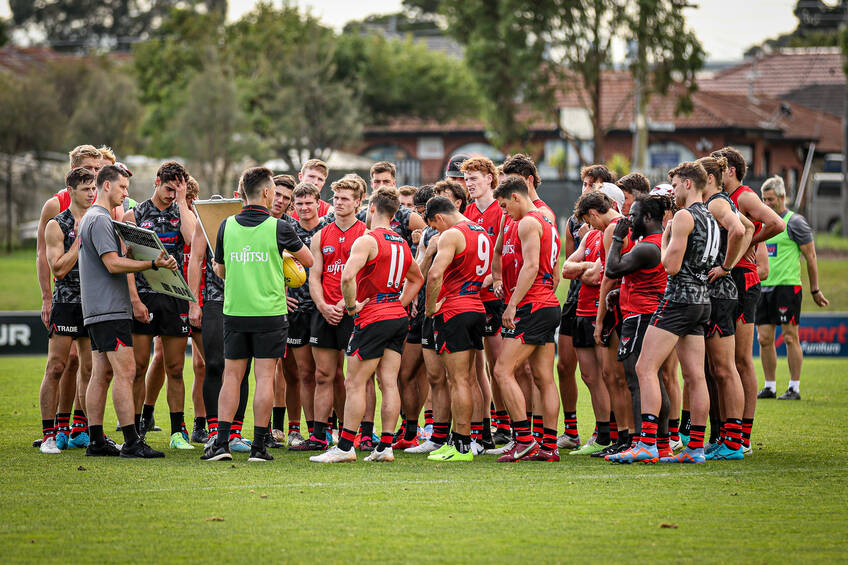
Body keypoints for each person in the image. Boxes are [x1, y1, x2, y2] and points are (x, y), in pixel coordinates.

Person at [202, 167, 313, 462]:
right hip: (270, 313)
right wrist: (282, 259)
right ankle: (259, 448)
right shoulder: (280, 228)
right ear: (266, 193)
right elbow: (309, 261)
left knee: (232, 377)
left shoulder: (226, 226)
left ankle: (221, 444)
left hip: (236, 311)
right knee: (265, 378)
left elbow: (220, 269)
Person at [310, 187, 424, 463]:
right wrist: (400, 303)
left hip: (373, 316)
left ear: (371, 209)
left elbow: (347, 277)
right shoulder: (400, 240)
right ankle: (384, 447)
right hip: (396, 316)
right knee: (389, 382)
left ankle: (346, 447)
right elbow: (417, 278)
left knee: (354, 382)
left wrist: (351, 306)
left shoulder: (367, 239)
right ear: (395, 213)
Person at [79, 163, 176, 458]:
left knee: (102, 373)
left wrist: (129, 253)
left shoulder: (91, 218)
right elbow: (112, 264)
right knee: (126, 371)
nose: (126, 193)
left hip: (97, 309)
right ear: (106, 185)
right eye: (122, 187)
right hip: (110, 309)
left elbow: (113, 259)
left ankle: (96, 440)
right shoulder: (100, 219)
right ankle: (132, 442)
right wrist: (151, 263)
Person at [629, 161, 720, 464]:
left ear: (689, 184)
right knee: (695, 376)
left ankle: (647, 443)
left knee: (644, 367)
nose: (675, 191)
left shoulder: (683, 216)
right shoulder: (711, 214)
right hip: (702, 300)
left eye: (677, 185)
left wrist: (667, 236)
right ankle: (695, 448)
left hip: (679, 298)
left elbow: (670, 266)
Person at [711, 146, 785, 453]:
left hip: (742, 280)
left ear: (730, 171)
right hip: (727, 279)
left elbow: (776, 224)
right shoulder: (719, 198)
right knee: (722, 363)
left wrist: (744, 244)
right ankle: (727, 434)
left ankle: (742, 436)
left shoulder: (744, 195)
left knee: (740, 360)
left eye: (717, 168)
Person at [123, 161, 197, 450]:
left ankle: (178, 432)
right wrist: (134, 300)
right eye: (168, 188)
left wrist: (182, 201)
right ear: (156, 182)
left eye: (177, 190)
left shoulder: (183, 212)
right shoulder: (135, 214)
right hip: (144, 295)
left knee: (175, 367)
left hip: (174, 295)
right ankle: (135, 429)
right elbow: (125, 261)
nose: (171, 194)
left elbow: (191, 240)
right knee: (139, 366)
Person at [491, 177, 562, 462]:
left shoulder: (529, 222)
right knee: (544, 378)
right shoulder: (547, 221)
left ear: (517, 197)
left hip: (532, 305)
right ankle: (549, 446)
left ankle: (523, 440)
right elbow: (554, 270)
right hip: (546, 302)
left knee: (501, 371)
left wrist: (512, 305)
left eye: (506, 205)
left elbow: (531, 266)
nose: (505, 211)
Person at [294, 178, 367, 451]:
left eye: (345, 198)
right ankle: (318, 436)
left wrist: (348, 305)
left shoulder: (366, 233)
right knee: (323, 375)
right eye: (336, 198)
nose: (338, 203)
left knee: (357, 378)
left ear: (358, 202)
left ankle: (360, 434)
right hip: (323, 313)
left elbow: (370, 278)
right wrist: (324, 306)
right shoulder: (320, 235)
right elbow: (314, 277)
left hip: (355, 312)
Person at [603, 195, 671, 462]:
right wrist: (620, 293)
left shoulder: (647, 247)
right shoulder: (655, 243)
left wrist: (618, 238)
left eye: (633, 216)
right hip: (647, 314)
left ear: (647, 218)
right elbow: (637, 279)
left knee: (637, 381)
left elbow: (612, 268)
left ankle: (644, 441)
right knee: (654, 380)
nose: (628, 221)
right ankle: (661, 443)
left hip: (641, 318)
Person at [422, 196, 488, 461]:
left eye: (435, 227)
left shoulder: (451, 234)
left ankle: (460, 444)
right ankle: (471, 439)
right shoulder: (479, 229)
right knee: (470, 378)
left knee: (457, 379)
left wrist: (429, 308)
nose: (437, 233)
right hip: (476, 307)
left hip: (454, 309)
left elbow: (435, 274)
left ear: (439, 218)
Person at [698, 156, 753, 460]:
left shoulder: (717, 203)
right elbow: (746, 226)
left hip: (719, 292)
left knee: (724, 368)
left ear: (709, 178)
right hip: (720, 292)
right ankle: (728, 437)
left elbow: (739, 230)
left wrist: (727, 265)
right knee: (719, 369)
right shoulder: (721, 201)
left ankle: (731, 442)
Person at [38, 168, 97, 454]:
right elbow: (58, 269)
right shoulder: (56, 224)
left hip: (93, 304)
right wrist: (79, 239)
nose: (91, 193)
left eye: (93, 187)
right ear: (71, 190)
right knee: (56, 367)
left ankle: (85, 430)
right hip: (66, 305)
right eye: (85, 188)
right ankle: (49, 434)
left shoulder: (101, 220)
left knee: (90, 369)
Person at [757, 175, 829, 400]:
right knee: (764, 338)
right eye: (764, 200)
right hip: (762, 287)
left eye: (771, 199)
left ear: (782, 197)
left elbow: (811, 256)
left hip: (787, 287)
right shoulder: (760, 222)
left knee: (790, 337)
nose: (767, 204)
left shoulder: (795, 222)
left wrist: (815, 289)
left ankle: (794, 387)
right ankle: (769, 386)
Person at [281, 182, 326, 447]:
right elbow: (272, 266)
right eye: (299, 204)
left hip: (323, 309)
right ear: (293, 206)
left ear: (318, 203)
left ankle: (339, 428)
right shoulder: (287, 230)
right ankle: (310, 431)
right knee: (305, 372)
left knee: (330, 373)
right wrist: (279, 293)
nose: (304, 208)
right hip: (296, 310)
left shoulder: (328, 229)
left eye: (309, 202)